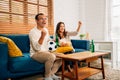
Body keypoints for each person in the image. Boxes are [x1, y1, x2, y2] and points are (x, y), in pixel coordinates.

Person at [29, 13, 62, 80]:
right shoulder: (32, 32)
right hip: (36, 53)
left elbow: (48, 40)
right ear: (37, 21)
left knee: (62, 57)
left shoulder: (45, 30)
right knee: (51, 56)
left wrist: (53, 40)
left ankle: (51, 73)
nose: (44, 21)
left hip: (46, 52)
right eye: (41, 19)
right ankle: (47, 77)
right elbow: (36, 48)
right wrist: (42, 36)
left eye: (45, 19)